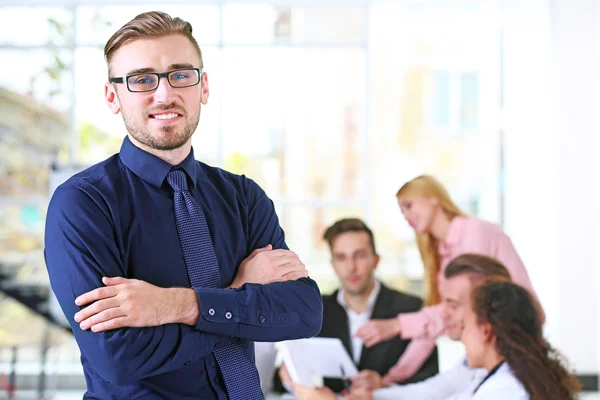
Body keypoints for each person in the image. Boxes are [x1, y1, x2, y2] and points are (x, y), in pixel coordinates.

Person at [44, 11, 323, 400]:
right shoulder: (84, 203)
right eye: (142, 79)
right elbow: (117, 356)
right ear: (113, 96)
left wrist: (172, 305)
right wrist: (240, 291)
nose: (164, 94)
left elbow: (303, 312)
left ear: (203, 86)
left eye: (180, 74)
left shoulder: (244, 197)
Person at [354, 175, 544, 382]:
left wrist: (397, 325)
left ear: (433, 198)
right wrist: (389, 380)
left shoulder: (474, 230)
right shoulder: (441, 257)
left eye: (409, 205)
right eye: (402, 211)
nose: (406, 216)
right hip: (491, 351)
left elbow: (467, 305)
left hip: (517, 346)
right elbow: (432, 329)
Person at [291, 254, 510, 400]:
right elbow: (433, 391)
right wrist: (375, 394)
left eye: (452, 304)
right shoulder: (474, 365)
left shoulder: (507, 386)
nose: (442, 313)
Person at [274, 218, 438, 394]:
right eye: (341, 257)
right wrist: (288, 376)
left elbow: (433, 381)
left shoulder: (411, 308)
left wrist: (386, 386)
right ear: (333, 265)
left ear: (376, 260)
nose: (351, 267)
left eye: (359, 255)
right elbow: (278, 379)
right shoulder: (319, 309)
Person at [460, 281, 580, 399]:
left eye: (464, 326)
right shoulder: (523, 380)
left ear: (486, 331)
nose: (462, 338)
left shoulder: (501, 391)